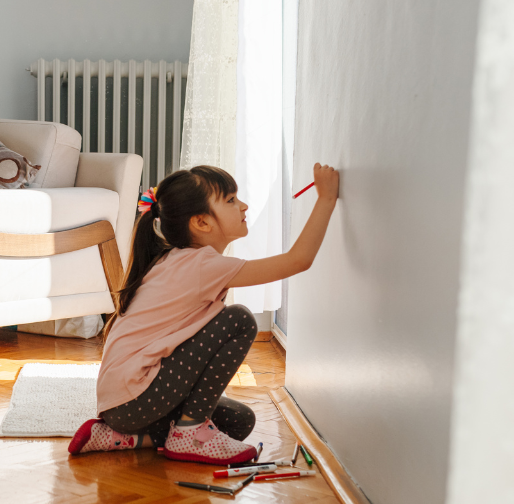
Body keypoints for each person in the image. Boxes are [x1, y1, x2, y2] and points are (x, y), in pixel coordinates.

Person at [68, 162, 340, 464]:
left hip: (124, 404)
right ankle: (188, 433)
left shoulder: (176, 259)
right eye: (231, 200)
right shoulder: (200, 264)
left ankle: (127, 438)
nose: (243, 205)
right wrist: (326, 199)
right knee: (239, 320)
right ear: (201, 222)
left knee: (239, 420)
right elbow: (297, 261)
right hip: (135, 398)